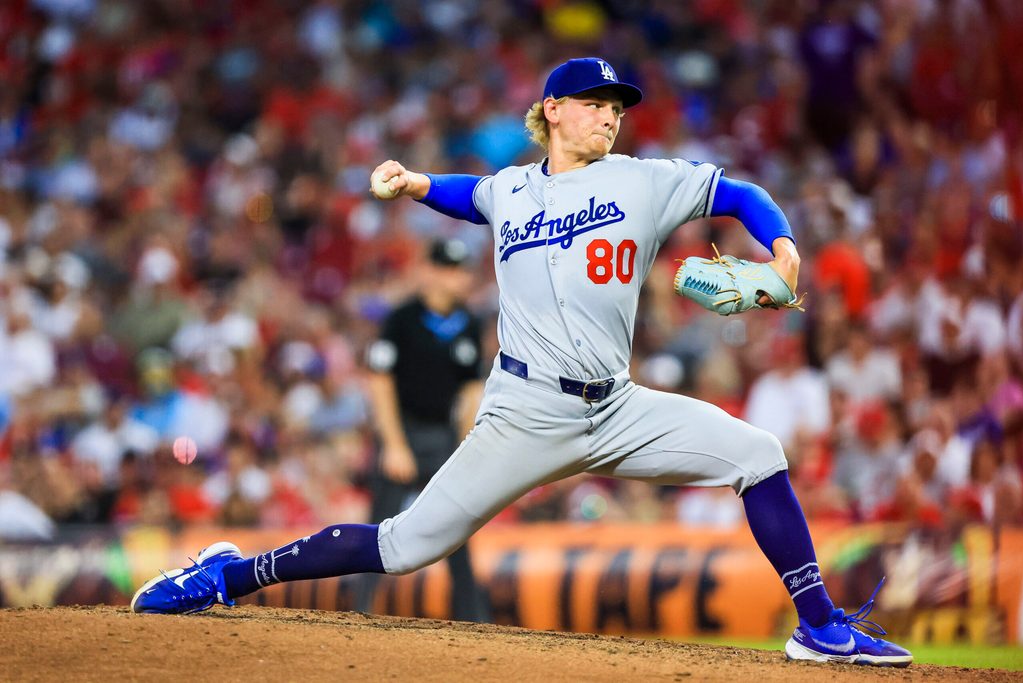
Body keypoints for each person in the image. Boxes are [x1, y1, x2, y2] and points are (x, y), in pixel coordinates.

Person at [131, 57, 911, 667]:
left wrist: (784, 252)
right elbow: (473, 193)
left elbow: (739, 194)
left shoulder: (643, 180)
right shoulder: (511, 190)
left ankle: (819, 627)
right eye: (597, 103)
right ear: (552, 112)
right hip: (525, 411)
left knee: (759, 453)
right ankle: (227, 574)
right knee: (405, 546)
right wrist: (415, 184)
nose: (610, 114)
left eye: (618, 106)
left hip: (618, 407)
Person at [358, 237, 489, 621]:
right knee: (378, 529)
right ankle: (356, 614)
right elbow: (380, 382)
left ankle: (474, 622)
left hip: (442, 438)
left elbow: (470, 389)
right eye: (450, 268)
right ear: (429, 270)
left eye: (462, 269)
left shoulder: (468, 322)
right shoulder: (401, 319)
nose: (460, 277)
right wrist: (394, 444)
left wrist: (468, 445)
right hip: (404, 433)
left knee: (457, 532)